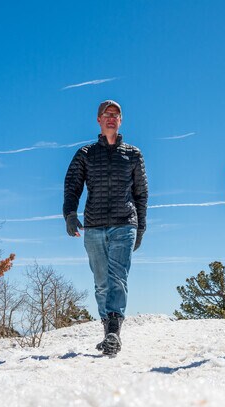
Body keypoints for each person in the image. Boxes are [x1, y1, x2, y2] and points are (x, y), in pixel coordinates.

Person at [63, 100, 148, 356]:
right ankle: (108, 331)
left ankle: (114, 332)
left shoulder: (133, 154)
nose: (111, 118)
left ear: (121, 120)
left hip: (125, 223)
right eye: (106, 114)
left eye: (116, 114)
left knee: (117, 278)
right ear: (98, 120)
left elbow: (141, 193)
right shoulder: (85, 154)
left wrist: (140, 227)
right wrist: (69, 214)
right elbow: (72, 185)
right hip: (94, 225)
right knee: (101, 282)